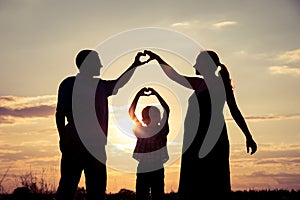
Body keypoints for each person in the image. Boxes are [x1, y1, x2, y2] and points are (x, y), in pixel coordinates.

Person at [145, 50, 257, 199]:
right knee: (215, 181)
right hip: (213, 139)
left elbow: (174, 76)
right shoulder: (220, 85)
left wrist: (157, 58)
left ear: (206, 65)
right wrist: (248, 136)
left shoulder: (201, 84)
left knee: (198, 182)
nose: (194, 65)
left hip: (200, 140)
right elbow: (235, 111)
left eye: (198, 62)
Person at [55, 49, 146, 200]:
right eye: (97, 61)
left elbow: (119, 83)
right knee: (67, 186)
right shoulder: (68, 84)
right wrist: (63, 137)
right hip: (74, 144)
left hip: (96, 146)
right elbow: (60, 113)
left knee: (96, 189)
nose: (101, 65)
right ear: (87, 63)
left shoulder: (100, 85)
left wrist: (135, 64)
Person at [129, 87, 170, 200]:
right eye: (149, 116)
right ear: (144, 119)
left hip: (155, 167)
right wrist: (139, 94)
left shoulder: (161, 131)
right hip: (145, 167)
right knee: (143, 196)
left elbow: (166, 109)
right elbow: (131, 112)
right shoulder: (142, 131)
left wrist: (155, 94)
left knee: (156, 196)